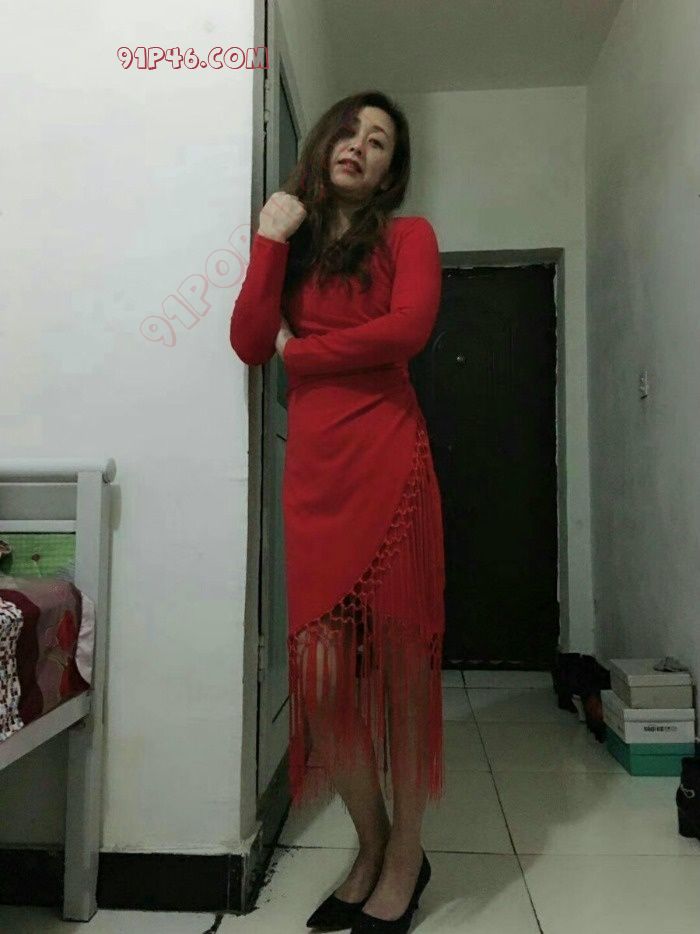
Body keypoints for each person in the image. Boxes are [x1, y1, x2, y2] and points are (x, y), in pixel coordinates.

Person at [230, 90, 446, 934]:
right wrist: (268, 237)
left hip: (390, 461)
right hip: (316, 476)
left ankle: (404, 859)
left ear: (391, 171)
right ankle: (373, 841)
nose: (360, 145)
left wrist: (308, 355)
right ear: (323, 145)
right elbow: (251, 342)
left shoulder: (409, 237)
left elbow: (408, 331)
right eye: (350, 131)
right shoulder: (294, 242)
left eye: (380, 141)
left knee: (401, 672)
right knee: (321, 683)